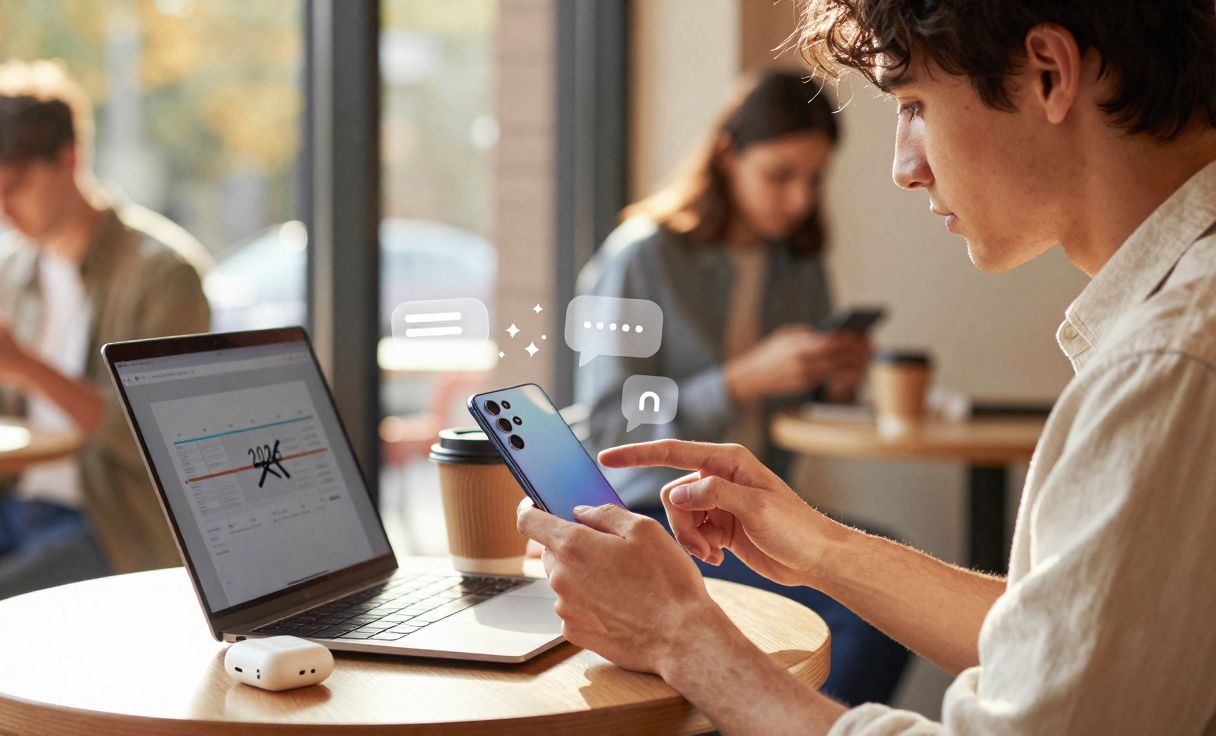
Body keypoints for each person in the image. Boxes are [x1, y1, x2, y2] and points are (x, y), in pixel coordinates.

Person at [519, 1, 1216, 733]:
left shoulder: (1169, 365)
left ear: (1048, 74)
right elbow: (1069, 638)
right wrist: (821, 547)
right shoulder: (1172, 334)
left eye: (913, 105)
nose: (902, 168)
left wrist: (679, 638)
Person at [576, 69, 906, 705]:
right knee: (868, 613)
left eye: (814, 180)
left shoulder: (799, 265)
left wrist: (835, 381)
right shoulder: (641, 257)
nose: (799, 200)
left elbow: (799, 414)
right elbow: (610, 428)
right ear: (728, 155)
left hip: (755, 509)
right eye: (780, 175)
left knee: (891, 578)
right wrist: (740, 380)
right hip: (654, 517)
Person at [0, 59, 213, 735]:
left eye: (13, 185)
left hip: (114, 525)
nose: (0, 210)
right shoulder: (11, 265)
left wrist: (22, 364)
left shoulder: (163, 271)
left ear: (68, 158)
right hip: (13, 509)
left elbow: (160, 438)